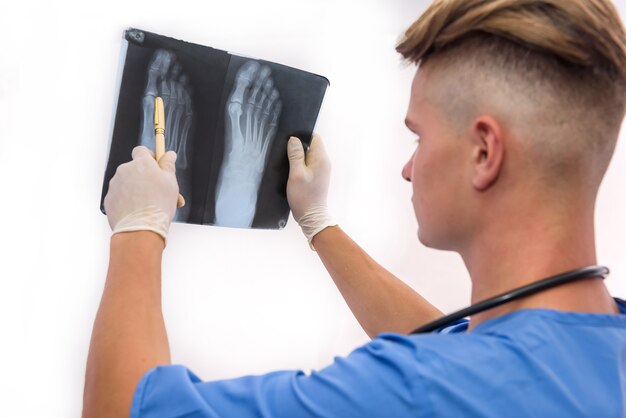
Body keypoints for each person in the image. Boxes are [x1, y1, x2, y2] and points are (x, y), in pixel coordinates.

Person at [82, 0, 626, 416]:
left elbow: (126, 407)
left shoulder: (410, 390)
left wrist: (137, 232)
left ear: (484, 152)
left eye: (419, 138)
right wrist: (320, 226)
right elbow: (484, 357)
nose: (408, 170)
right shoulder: (601, 345)